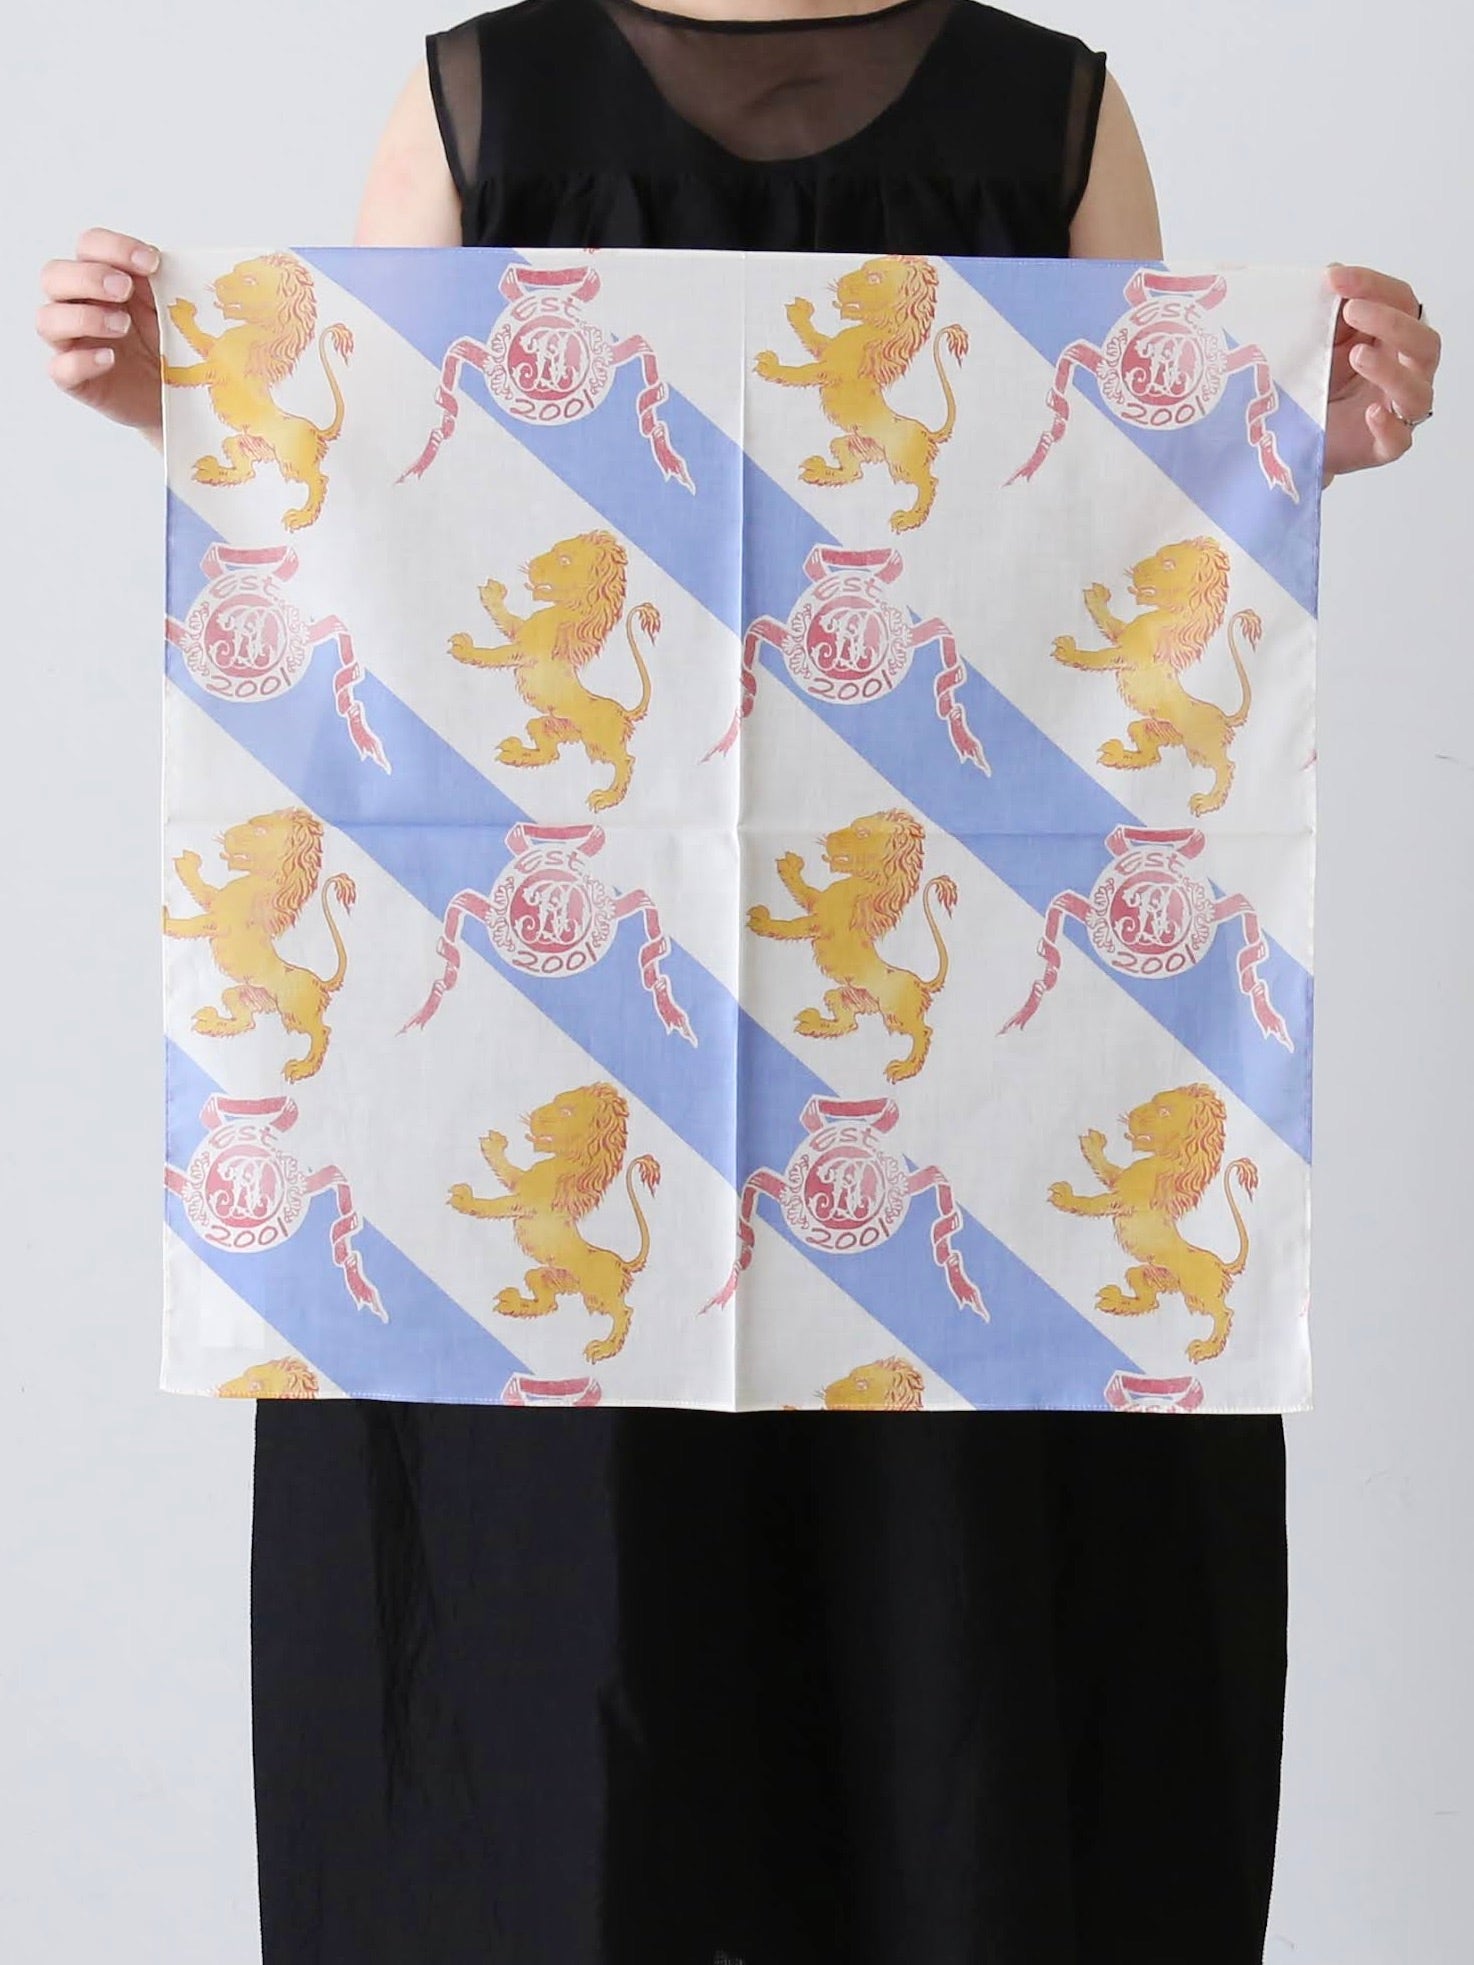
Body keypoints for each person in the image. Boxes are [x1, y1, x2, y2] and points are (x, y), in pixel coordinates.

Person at [36, 3, 1441, 1961]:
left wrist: (1297, 439)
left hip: (968, 1164)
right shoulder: (477, 104)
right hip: (551, 1110)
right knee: (555, 1732)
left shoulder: (1049, 117)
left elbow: (1117, 530)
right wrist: (195, 412)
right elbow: (379, 532)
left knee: (962, 1729)